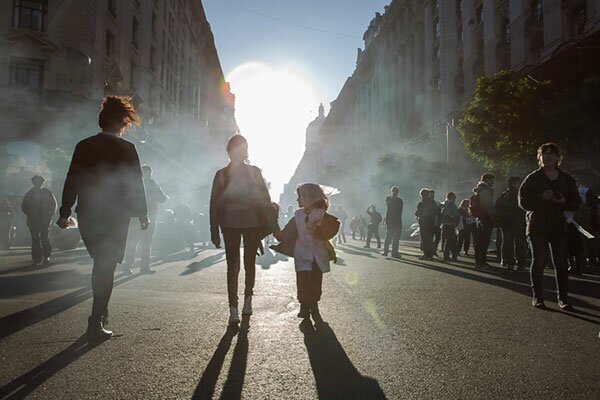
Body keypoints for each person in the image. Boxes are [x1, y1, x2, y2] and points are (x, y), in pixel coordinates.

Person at [57, 96, 148, 341]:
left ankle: (100, 311)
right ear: (121, 124)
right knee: (105, 265)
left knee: (101, 262)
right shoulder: (127, 148)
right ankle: (96, 320)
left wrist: (65, 211)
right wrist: (143, 214)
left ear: (101, 122)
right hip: (116, 214)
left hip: (88, 213)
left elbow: (72, 178)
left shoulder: (84, 145)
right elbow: (135, 183)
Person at [210, 134, 272, 325]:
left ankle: (245, 302)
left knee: (246, 264)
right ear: (229, 151)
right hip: (232, 225)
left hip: (248, 224)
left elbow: (265, 201)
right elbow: (214, 204)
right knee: (235, 266)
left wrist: (263, 229)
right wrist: (214, 229)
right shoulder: (222, 174)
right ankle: (235, 307)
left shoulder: (253, 172)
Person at [519, 142, 581, 310]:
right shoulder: (533, 178)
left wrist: (564, 202)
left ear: (558, 158)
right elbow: (523, 202)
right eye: (544, 154)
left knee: (560, 263)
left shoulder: (566, 178)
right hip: (537, 224)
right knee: (538, 261)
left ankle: (563, 299)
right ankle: (538, 297)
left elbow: (576, 201)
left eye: (551, 154)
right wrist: (541, 198)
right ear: (540, 158)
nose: (548, 157)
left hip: (559, 225)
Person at [274, 183, 337, 325]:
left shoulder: (321, 214)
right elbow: (287, 232)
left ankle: (314, 306)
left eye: (300, 197)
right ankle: (304, 305)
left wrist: (321, 233)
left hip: (317, 254)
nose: (297, 201)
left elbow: (334, 226)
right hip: (302, 254)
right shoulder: (297, 215)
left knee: (315, 280)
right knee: (302, 281)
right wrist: (276, 229)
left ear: (309, 198)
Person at [123, 165, 168, 274]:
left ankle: (128, 267)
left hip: (135, 218)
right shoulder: (152, 184)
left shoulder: (133, 184)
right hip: (148, 217)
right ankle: (143, 267)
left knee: (133, 243)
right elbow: (162, 198)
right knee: (145, 243)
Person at [21, 175, 57, 267]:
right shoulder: (29, 194)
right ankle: (36, 259)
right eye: (36, 181)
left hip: (45, 220)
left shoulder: (48, 193)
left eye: (39, 181)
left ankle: (46, 256)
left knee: (44, 238)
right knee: (35, 240)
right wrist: (31, 213)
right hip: (33, 220)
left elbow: (54, 206)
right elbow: (24, 207)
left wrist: (49, 215)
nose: (38, 183)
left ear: (42, 182)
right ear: (33, 182)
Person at [495, 177, 527, 270]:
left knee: (507, 242)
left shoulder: (504, 194)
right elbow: (522, 207)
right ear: (514, 183)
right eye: (519, 182)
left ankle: (506, 260)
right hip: (517, 221)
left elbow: (497, 207)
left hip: (505, 222)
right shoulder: (518, 194)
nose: (520, 184)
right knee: (520, 242)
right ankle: (520, 263)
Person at [472, 173, 497, 268]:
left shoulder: (478, 191)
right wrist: (493, 220)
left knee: (480, 241)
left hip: (479, 218)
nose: (493, 182)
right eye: (491, 180)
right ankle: (481, 262)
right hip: (486, 218)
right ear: (486, 180)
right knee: (484, 241)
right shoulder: (486, 191)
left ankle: (479, 261)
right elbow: (489, 207)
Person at [416, 188, 437, 260]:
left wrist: (419, 214)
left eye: (424, 195)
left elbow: (419, 213)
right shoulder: (432, 202)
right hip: (429, 223)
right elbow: (436, 211)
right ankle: (429, 255)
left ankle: (426, 254)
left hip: (425, 223)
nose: (423, 196)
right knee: (429, 239)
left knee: (425, 239)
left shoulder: (422, 203)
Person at [382, 186, 403, 258]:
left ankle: (388, 251)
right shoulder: (398, 200)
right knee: (392, 237)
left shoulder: (389, 199)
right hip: (395, 221)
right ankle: (392, 252)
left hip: (393, 220)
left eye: (395, 192)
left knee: (391, 237)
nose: (394, 193)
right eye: (394, 191)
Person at [440, 192, 460, 261]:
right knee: (452, 240)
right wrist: (456, 219)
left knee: (449, 240)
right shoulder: (451, 205)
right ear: (450, 197)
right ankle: (451, 256)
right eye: (453, 197)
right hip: (450, 224)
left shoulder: (444, 204)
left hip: (446, 224)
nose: (455, 198)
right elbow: (454, 214)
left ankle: (448, 255)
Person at [430, 190, 442, 256]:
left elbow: (439, 213)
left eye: (433, 195)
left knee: (438, 237)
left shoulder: (436, 203)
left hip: (436, 222)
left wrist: (439, 208)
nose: (432, 196)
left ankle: (434, 249)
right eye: (431, 195)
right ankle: (431, 251)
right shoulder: (428, 203)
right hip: (430, 223)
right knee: (430, 237)